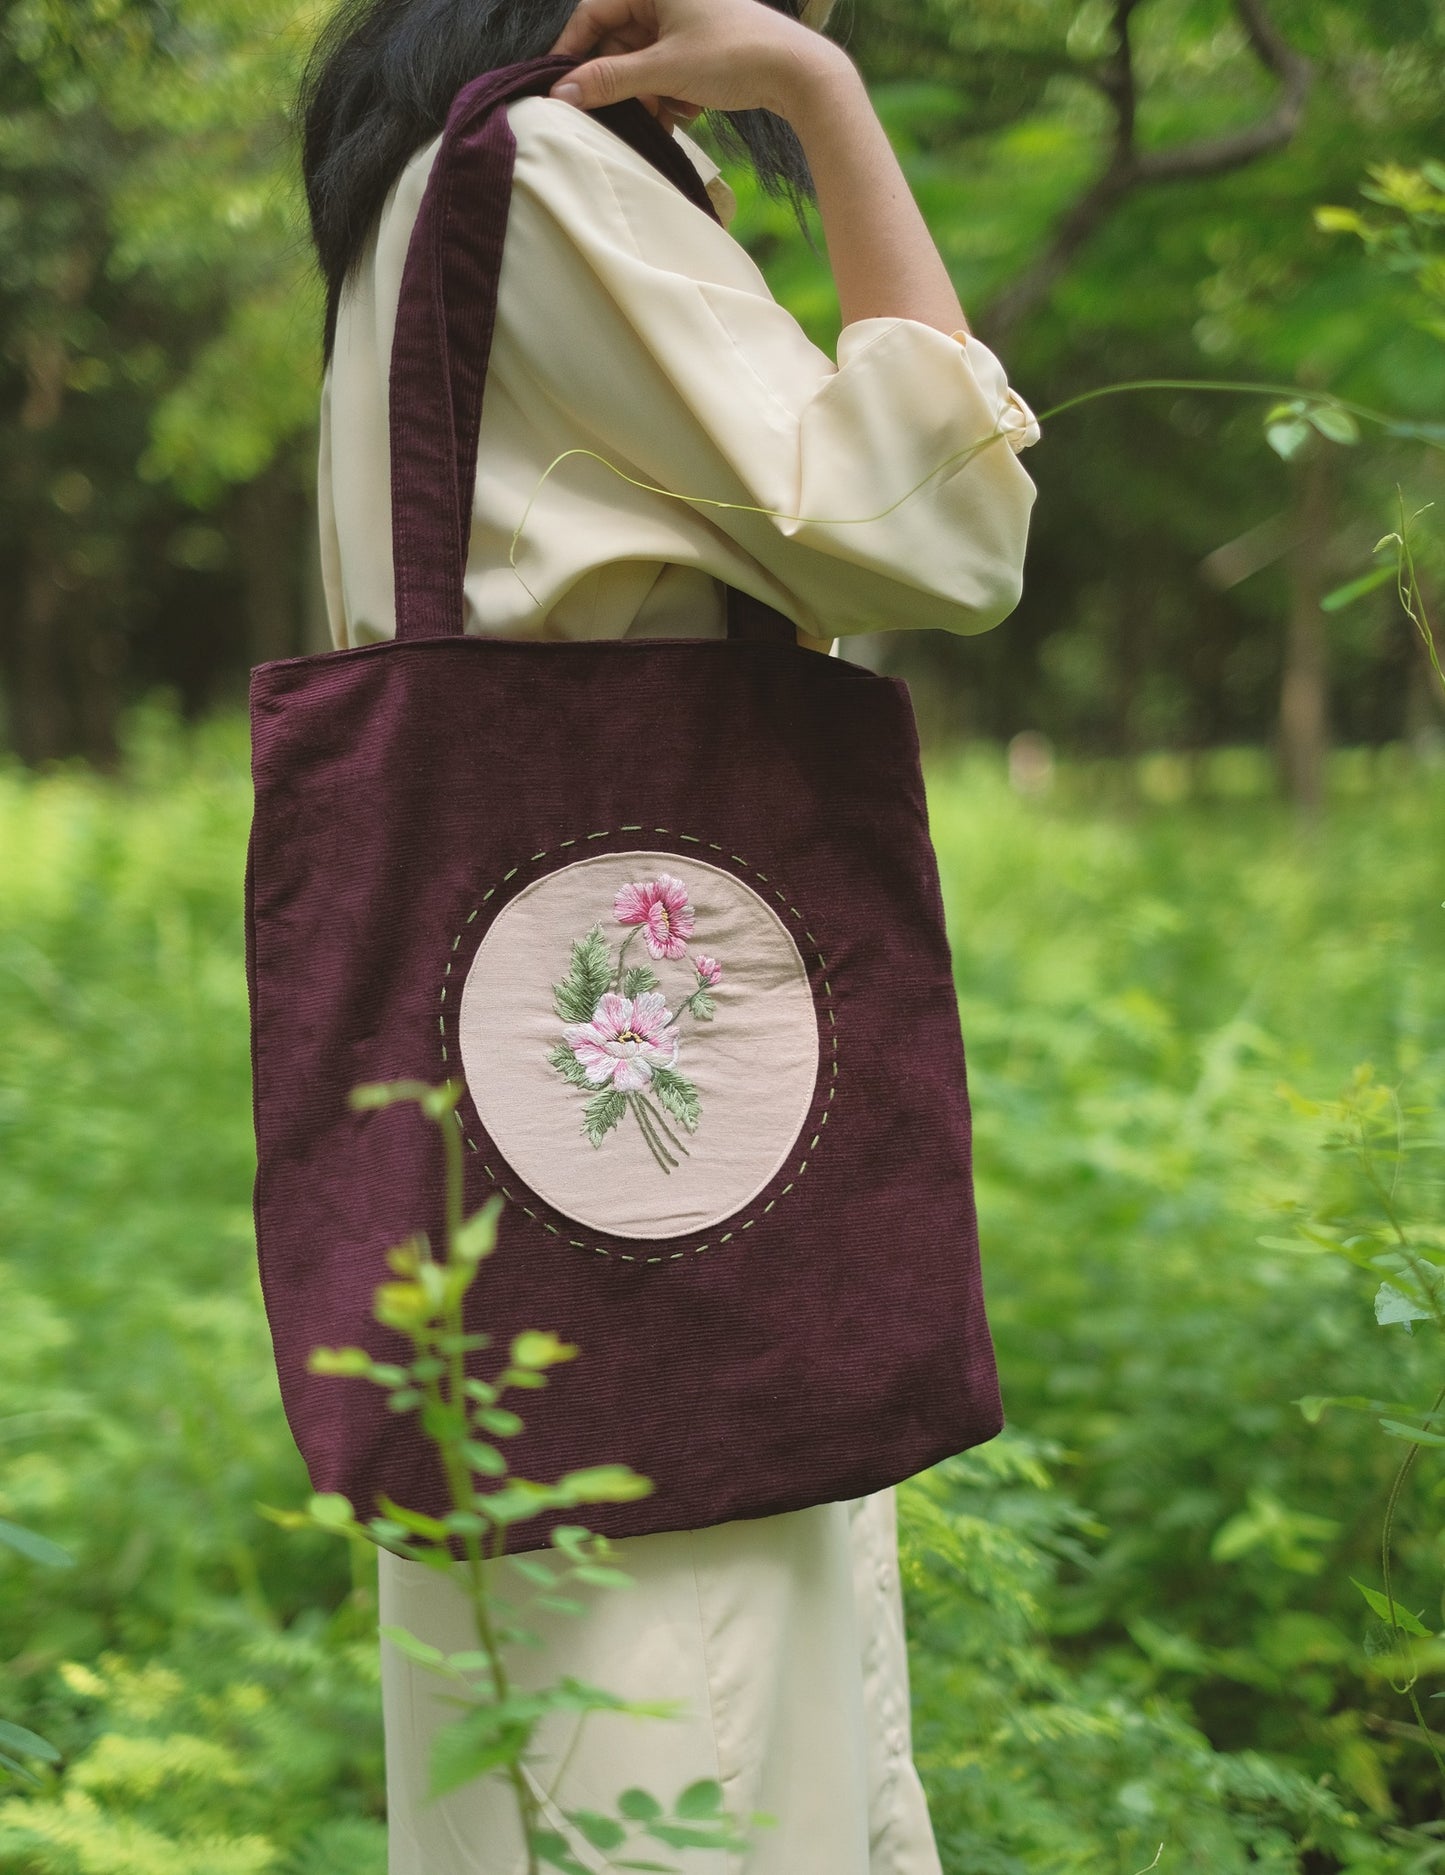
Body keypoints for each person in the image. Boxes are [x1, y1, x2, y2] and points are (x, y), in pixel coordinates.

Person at [300, 0, 1041, 1867]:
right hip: (641, 1039)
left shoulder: (463, 170)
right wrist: (826, 96)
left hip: (563, 1025)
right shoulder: (540, 176)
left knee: (599, 1625)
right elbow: (937, 540)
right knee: (690, 1661)